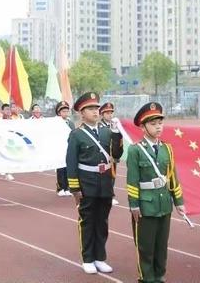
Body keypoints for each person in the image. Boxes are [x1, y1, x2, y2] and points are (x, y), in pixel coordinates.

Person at [127, 102, 185, 283]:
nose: (158, 127)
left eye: (160, 122)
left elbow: (172, 176)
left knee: (161, 246)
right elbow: (132, 181)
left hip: (164, 204)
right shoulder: (135, 150)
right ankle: (146, 279)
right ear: (143, 127)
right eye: (153, 124)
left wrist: (179, 201)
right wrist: (134, 205)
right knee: (146, 247)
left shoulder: (167, 148)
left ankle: (159, 276)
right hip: (146, 205)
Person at [66, 92, 123, 275]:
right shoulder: (77, 135)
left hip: (105, 183)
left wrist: (116, 134)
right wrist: (75, 188)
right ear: (82, 113)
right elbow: (71, 162)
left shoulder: (107, 131)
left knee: (102, 222)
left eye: (97, 108)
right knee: (88, 222)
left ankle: (100, 257)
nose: (95, 111)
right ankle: (88, 258)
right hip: (87, 184)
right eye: (90, 109)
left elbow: (117, 155)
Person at [99, 102, 121, 206]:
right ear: (102, 115)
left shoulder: (115, 125)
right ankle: (104, 196)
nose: (110, 115)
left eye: (111, 112)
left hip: (113, 156)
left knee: (112, 176)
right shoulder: (99, 126)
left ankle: (110, 196)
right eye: (107, 113)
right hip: (103, 156)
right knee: (103, 177)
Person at [55, 100, 74, 196]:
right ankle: (60, 188)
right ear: (59, 113)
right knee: (60, 169)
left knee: (68, 168)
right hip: (59, 148)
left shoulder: (70, 123)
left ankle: (67, 188)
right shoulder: (56, 122)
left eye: (67, 111)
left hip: (68, 148)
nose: (65, 113)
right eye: (63, 111)